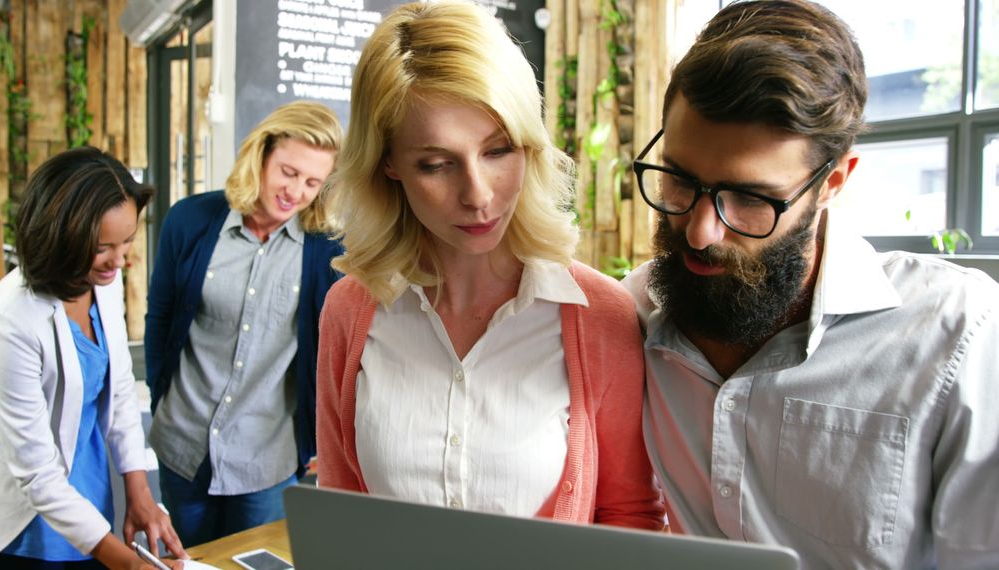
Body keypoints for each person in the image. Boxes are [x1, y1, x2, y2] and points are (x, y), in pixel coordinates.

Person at [622, 1, 999, 567]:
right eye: (679, 180)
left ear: (834, 182)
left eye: (749, 199)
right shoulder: (629, 313)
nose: (699, 232)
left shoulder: (957, 337)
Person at [316, 0, 665, 530]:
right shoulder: (350, 311)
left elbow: (629, 517)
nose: (478, 195)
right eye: (436, 164)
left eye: (499, 150)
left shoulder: (600, 316)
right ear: (387, 163)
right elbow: (340, 509)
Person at [0, 147, 185, 569]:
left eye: (127, 243)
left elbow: (120, 389)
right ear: (61, 237)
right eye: (103, 247)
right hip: (12, 530)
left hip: (88, 500)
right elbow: (37, 474)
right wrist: (129, 564)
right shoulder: (9, 318)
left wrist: (139, 491)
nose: (119, 261)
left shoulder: (101, 281)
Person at [145, 101, 344, 547]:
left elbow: (333, 349)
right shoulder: (190, 220)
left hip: (266, 458)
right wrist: (161, 399)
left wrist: (319, 437)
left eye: (313, 182)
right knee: (189, 561)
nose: (296, 192)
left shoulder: (327, 251)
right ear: (262, 155)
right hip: (183, 444)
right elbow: (160, 319)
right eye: (288, 172)